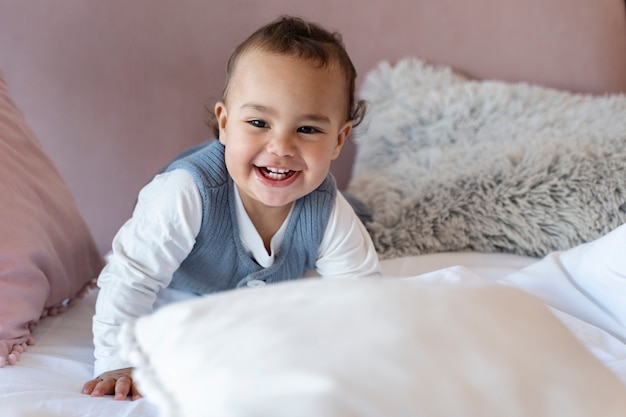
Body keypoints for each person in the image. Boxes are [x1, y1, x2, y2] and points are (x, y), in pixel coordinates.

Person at [81, 15, 381, 400]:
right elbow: (132, 275)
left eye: (308, 129)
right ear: (225, 124)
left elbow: (363, 298)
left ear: (339, 141)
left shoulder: (325, 209)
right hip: (181, 285)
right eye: (258, 122)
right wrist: (116, 359)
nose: (281, 147)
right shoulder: (186, 193)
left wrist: (362, 359)